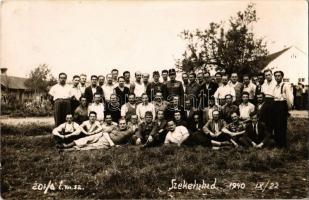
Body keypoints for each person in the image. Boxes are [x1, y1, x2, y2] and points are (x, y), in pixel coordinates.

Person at [63, 118, 133, 150]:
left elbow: (129, 141)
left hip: (106, 143)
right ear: (119, 124)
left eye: (124, 123)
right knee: (86, 139)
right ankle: (67, 145)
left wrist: (119, 145)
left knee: (90, 146)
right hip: (102, 136)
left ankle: (66, 150)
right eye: (121, 124)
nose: (122, 125)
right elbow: (105, 132)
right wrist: (111, 142)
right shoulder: (115, 127)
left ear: (126, 124)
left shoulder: (129, 131)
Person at [272, 71, 293, 148]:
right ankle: (277, 142)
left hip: (282, 105)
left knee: (282, 125)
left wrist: (288, 108)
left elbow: (289, 97)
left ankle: (282, 144)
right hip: (275, 105)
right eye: (276, 76)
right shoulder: (275, 86)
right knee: (276, 125)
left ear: (282, 77)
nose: (277, 77)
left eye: (279, 76)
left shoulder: (285, 85)